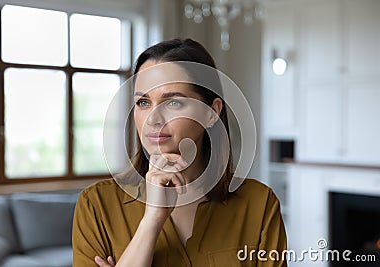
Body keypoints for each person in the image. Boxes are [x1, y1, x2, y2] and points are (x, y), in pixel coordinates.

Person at [72, 38, 287, 267]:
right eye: (143, 102)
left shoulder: (259, 203)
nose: (153, 119)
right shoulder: (96, 205)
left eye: (173, 102)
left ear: (211, 113)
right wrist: (152, 220)